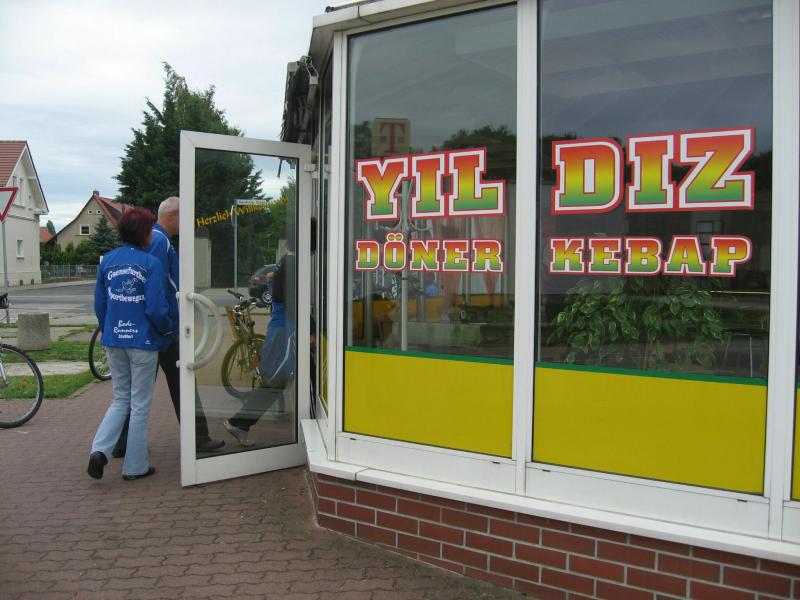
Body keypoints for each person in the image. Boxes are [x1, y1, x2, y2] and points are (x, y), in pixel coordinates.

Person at [112, 196, 225, 455]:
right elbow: (156, 284)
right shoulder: (159, 241)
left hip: (153, 326)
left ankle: (122, 442)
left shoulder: (156, 240)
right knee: (182, 381)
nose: (189, 222)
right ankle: (198, 437)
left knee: (143, 387)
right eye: (185, 216)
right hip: (161, 328)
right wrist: (167, 324)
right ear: (172, 216)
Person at [88, 208, 174, 481]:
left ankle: (99, 450)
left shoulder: (107, 261)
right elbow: (156, 308)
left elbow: (100, 304)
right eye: (149, 230)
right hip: (143, 341)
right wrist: (167, 330)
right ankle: (135, 467)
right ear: (144, 233)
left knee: (120, 398)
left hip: (114, 340)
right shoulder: (151, 264)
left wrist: (109, 330)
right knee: (139, 404)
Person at [224, 232, 297, 446]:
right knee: (275, 381)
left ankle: (240, 423)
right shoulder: (292, 264)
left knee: (278, 380)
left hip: (282, 328)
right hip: (285, 330)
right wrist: (308, 329)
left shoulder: (284, 262)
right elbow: (290, 300)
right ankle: (239, 423)